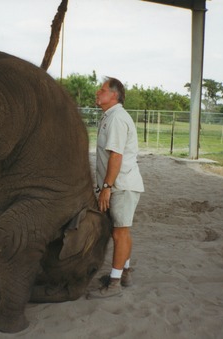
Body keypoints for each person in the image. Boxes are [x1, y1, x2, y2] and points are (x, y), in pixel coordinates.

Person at [88, 77, 144, 299]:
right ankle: (124, 273)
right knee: (121, 230)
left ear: (114, 95)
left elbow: (116, 156)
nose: (97, 92)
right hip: (122, 184)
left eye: (101, 90)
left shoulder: (117, 119)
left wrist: (106, 187)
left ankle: (114, 284)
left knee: (119, 232)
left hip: (121, 185)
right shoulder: (110, 116)